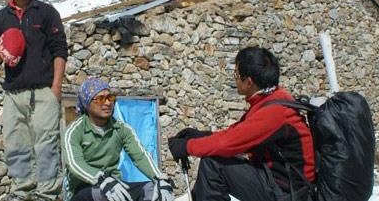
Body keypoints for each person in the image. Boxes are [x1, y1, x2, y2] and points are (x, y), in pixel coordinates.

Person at [167, 46, 315, 201]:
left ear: (249, 82)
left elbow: (227, 143)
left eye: (236, 74)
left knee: (212, 164)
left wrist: (187, 147)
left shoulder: (276, 112)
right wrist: (198, 136)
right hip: (275, 181)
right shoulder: (272, 99)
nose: (235, 78)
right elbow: (237, 134)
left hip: (290, 193)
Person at [0, 0, 69, 201]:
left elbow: (59, 50)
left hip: (44, 92)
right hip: (13, 94)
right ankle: (21, 193)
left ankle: (47, 195)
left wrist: (55, 88)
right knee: (17, 147)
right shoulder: (1, 18)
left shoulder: (46, 13)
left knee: (47, 146)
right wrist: (2, 50)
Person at [62, 77, 174, 201]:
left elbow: (140, 156)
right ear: (87, 103)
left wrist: (160, 178)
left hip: (114, 186)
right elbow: (74, 163)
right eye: (100, 99)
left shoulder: (122, 129)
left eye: (110, 98)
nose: (107, 103)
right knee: (102, 194)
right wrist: (101, 179)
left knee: (153, 190)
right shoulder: (74, 131)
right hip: (83, 189)